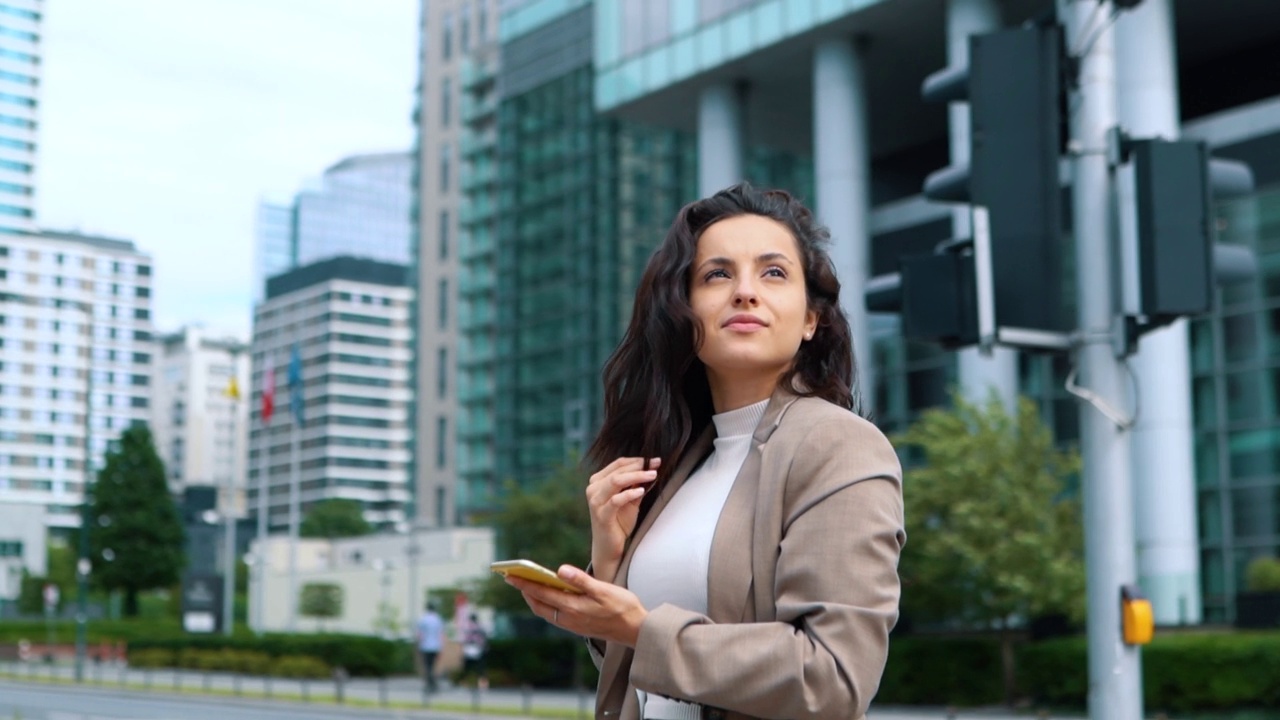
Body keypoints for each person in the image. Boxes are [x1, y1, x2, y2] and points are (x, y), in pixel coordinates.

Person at [503, 183, 906, 720]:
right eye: (717, 274)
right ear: (685, 312)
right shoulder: (684, 460)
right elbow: (639, 679)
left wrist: (638, 628)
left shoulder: (839, 446)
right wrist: (608, 563)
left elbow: (831, 677)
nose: (744, 292)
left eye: (774, 273)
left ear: (811, 320)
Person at [415, 601, 444, 693]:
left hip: (425, 646)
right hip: (435, 646)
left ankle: (430, 683)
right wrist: (441, 647)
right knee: (432, 665)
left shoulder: (423, 619)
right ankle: (432, 683)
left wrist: (419, 644)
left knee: (427, 666)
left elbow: (420, 634)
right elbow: (440, 634)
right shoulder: (438, 619)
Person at [460, 612, 489, 690]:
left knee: (467, 668)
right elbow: (483, 639)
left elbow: (464, 639)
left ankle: (464, 683)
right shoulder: (480, 627)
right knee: (480, 668)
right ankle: (483, 684)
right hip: (478, 649)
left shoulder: (467, 627)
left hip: (469, 648)